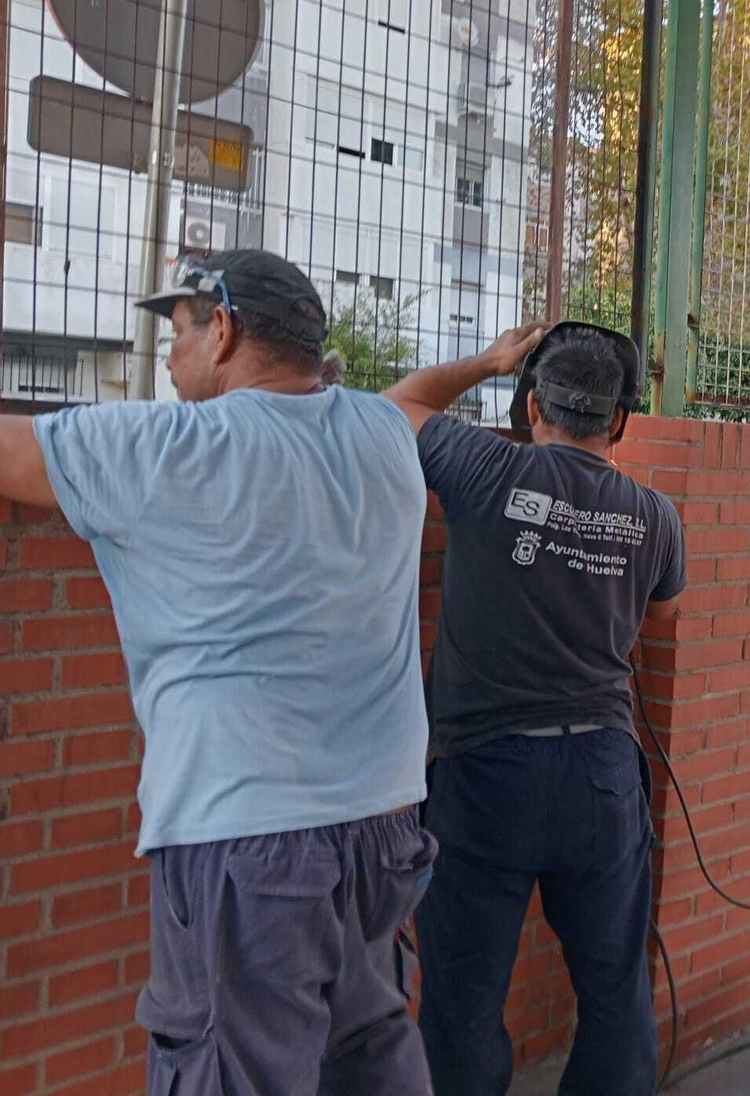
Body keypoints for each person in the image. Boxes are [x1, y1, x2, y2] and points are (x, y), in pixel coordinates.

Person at [0, 250, 437, 1094]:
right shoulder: (384, 436)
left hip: (248, 845)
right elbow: (416, 396)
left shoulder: (163, 449)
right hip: (383, 830)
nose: (167, 354)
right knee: (368, 1057)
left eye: (179, 331)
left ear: (225, 330)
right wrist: (488, 363)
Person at [383, 320, 686, 1096]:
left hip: (484, 781)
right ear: (618, 421)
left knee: (460, 1008)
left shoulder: (483, 468)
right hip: (601, 779)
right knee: (616, 998)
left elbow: (394, 406)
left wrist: (487, 358)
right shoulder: (657, 518)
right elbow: (661, 611)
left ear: (528, 407)